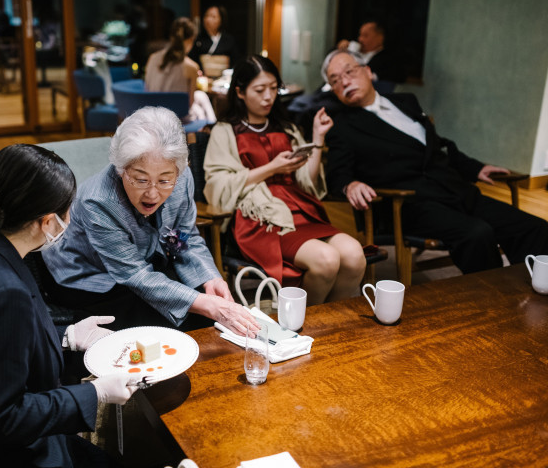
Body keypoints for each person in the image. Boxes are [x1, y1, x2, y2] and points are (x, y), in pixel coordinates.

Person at [0, 144, 137, 468]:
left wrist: (68, 335)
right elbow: (0, 418)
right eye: (67, 211)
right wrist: (97, 394)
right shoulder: (6, 294)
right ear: (46, 222)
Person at [322, 49, 548, 274]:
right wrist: (349, 184)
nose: (344, 81)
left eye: (349, 71)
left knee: (532, 228)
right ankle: (495, 298)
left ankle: (531, 286)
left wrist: (476, 167)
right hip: (411, 205)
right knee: (477, 233)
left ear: (368, 71)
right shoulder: (342, 127)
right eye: (335, 80)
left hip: (453, 188)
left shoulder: (405, 101)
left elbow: (436, 145)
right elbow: (336, 174)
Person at [43, 107, 259, 336]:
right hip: (89, 275)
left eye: (164, 180)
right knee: (160, 323)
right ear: (121, 169)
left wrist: (210, 277)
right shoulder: (97, 201)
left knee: (204, 308)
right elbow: (135, 276)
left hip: (143, 261)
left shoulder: (181, 177)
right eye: (141, 180)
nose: (153, 194)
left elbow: (185, 238)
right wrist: (206, 304)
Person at [203, 55, 367, 306]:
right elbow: (218, 187)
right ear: (240, 92)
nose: (269, 97)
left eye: (273, 89)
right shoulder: (225, 131)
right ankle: (305, 323)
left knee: (355, 255)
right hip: (261, 219)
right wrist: (272, 168)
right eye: (259, 90)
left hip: (300, 209)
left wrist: (317, 137)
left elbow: (308, 184)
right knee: (326, 259)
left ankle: (331, 326)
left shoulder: (286, 128)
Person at [144, 17, 216, 123]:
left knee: (201, 97)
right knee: (200, 108)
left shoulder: (152, 58)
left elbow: (147, 88)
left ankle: (211, 125)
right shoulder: (191, 66)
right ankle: (212, 127)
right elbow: (189, 104)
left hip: (153, 114)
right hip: (177, 118)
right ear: (191, 40)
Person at [336, 20, 406, 84]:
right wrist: (341, 49)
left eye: (365, 36)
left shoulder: (389, 59)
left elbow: (397, 76)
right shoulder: (354, 50)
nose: (360, 39)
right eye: (360, 35)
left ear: (380, 38)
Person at [188, 6, 240, 70]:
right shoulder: (198, 39)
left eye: (213, 17)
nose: (208, 19)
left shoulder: (228, 40)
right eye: (206, 16)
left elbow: (235, 61)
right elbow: (192, 59)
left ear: (221, 20)